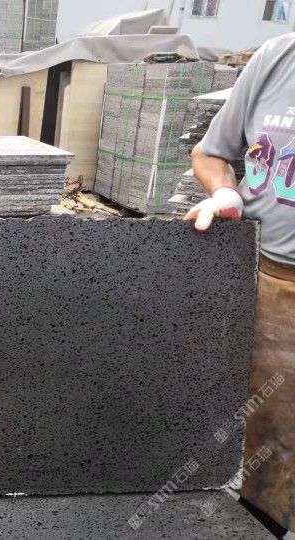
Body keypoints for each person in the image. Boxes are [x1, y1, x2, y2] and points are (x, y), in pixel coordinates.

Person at [186, 34, 295, 534]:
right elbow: (210, 155)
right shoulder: (279, 57)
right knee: (261, 451)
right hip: (264, 285)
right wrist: (225, 192)